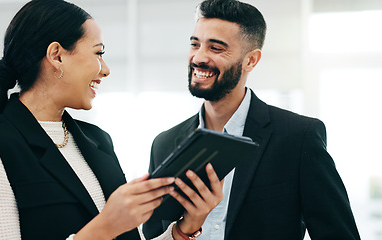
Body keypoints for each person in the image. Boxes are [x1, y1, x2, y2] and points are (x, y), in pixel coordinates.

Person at [0, 0, 224, 239]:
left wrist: (185, 228)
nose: (105, 70)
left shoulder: (97, 140)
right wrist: (106, 225)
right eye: (98, 53)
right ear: (57, 55)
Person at [143, 0, 361, 239]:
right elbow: (153, 234)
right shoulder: (164, 144)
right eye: (195, 44)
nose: (199, 57)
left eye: (216, 48)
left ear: (251, 60)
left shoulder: (299, 137)